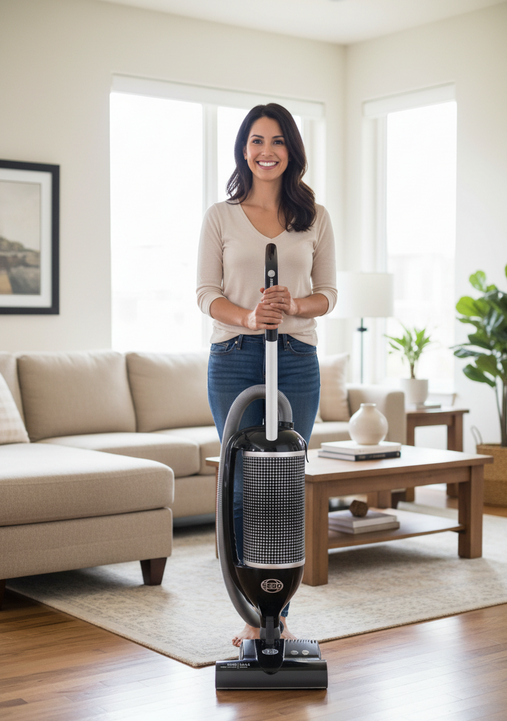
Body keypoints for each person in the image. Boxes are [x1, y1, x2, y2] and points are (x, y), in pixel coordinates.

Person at [197, 103, 337, 647]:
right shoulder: (220, 216)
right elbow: (206, 294)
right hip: (234, 357)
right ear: (244, 149)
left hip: (297, 359)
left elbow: (328, 295)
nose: (266, 151)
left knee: (285, 482)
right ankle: (251, 611)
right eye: (256, 140)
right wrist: (251, 317)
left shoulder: (315, 217)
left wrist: (295, 306)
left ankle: (278, 609)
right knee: (241, 484)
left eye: (277, 141)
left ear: (291, 150)